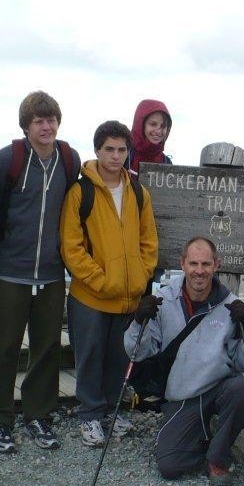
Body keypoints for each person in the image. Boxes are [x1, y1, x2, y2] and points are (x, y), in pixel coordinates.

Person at [0, 91, 80, 454]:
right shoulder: (8, 159)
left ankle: (39, 413)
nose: (47, 126)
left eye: (51, 119)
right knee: (2, 349)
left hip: (52, 274)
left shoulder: (69, 159)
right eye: (39, 120)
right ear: (26, 125)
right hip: (9, 272)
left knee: (47, 348)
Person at [123, 237, 244, 486]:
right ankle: (203, 435)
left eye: (206, 264)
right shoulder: (163, 300)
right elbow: (137, 353)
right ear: (182, 264)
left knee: (242, 388)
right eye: (193, 263)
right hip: (182, 397)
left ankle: (217, 459)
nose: (199, 271)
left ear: (216, 264)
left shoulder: (231, 305)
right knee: (169, 466)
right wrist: (138, 322)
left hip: (219, 387)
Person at [61, 120, 158, 449]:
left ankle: (114, 410)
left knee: (120, 356)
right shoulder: (80, 191)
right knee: (89, 355)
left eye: (121, 150)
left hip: (128, 295)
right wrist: (101, 281)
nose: (115, 156)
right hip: (90, 296)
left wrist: (142, 275)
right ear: (97, 151)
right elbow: (71, 247)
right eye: (109, 149)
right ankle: (90, 413)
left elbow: (149, 242)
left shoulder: (138, 192)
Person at [129, 99, 172, 172]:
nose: (158, 131)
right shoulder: (124, 156)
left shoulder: (167, 163)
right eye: (153, 124)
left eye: (163, 126)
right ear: (140, 125)